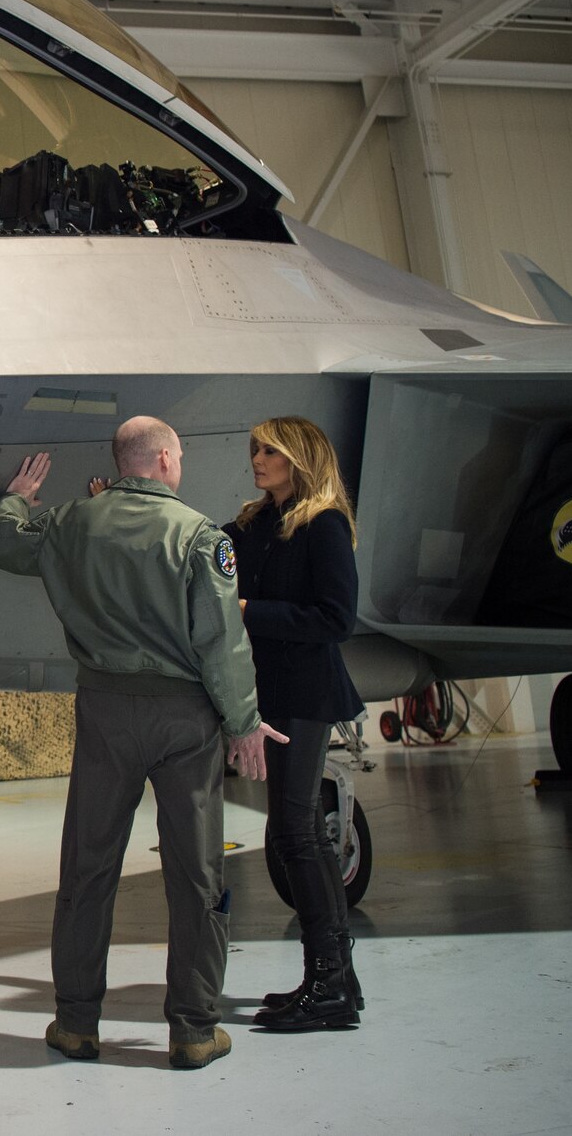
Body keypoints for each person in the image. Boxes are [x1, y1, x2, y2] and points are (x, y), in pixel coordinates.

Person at [0, 416, 287, 1071]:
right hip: (184, 720)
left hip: (106, 711)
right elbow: (221, 643)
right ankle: (194, 1029)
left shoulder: (70, 523)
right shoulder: (201, 537)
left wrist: (17, 498)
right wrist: (244, 723)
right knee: (196, 873)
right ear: (168, 459)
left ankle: (77, 1023)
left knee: (89, 866)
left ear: (122, 464)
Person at [224, 416, 366, 1032]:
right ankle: (338, 981)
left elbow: (336, 618)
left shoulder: (324, 524)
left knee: (294, 835)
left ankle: (328, 983)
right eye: (255, 449)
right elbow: (202, 544)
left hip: (306, 695)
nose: (258, 459)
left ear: (299, 458)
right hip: (272, 693)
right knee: (299, 829)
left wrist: (253, 611)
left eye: (271, 451)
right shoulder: (254, 523)